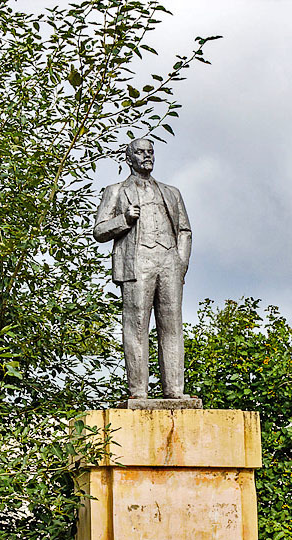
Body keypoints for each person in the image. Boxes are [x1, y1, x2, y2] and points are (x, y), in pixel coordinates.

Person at [93, 138, 192, 400]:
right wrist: (124, 219)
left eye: (150, 152)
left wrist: (180, 264)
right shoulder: (115, 191)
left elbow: (184, 231)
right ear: (129, 158)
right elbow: (99, 231)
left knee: (172, 327)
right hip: (136, 263)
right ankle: (138, 391)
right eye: (140, 152)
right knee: (136, 326)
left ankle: (174, 390)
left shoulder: (171, 192)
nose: (147, 156)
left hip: (169, 262)